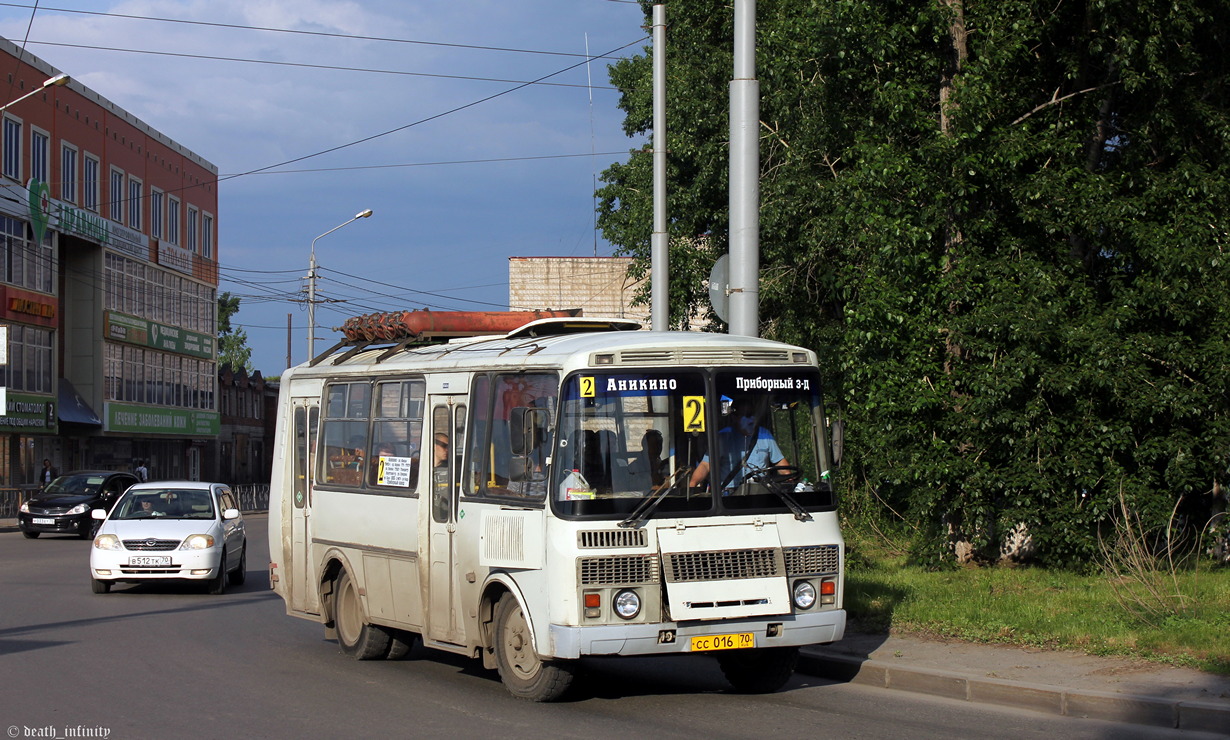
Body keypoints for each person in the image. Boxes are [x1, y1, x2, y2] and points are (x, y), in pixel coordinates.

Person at [689, 398, 789, 493]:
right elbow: (706, 466)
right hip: (730, 495)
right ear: (735, 418)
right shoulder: (722, 437)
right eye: (747, 415)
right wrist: (692, 486)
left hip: (760, 492)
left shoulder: (765, 435)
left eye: (754, 415)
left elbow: (780, 463)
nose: (752, 419)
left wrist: (790, 478)